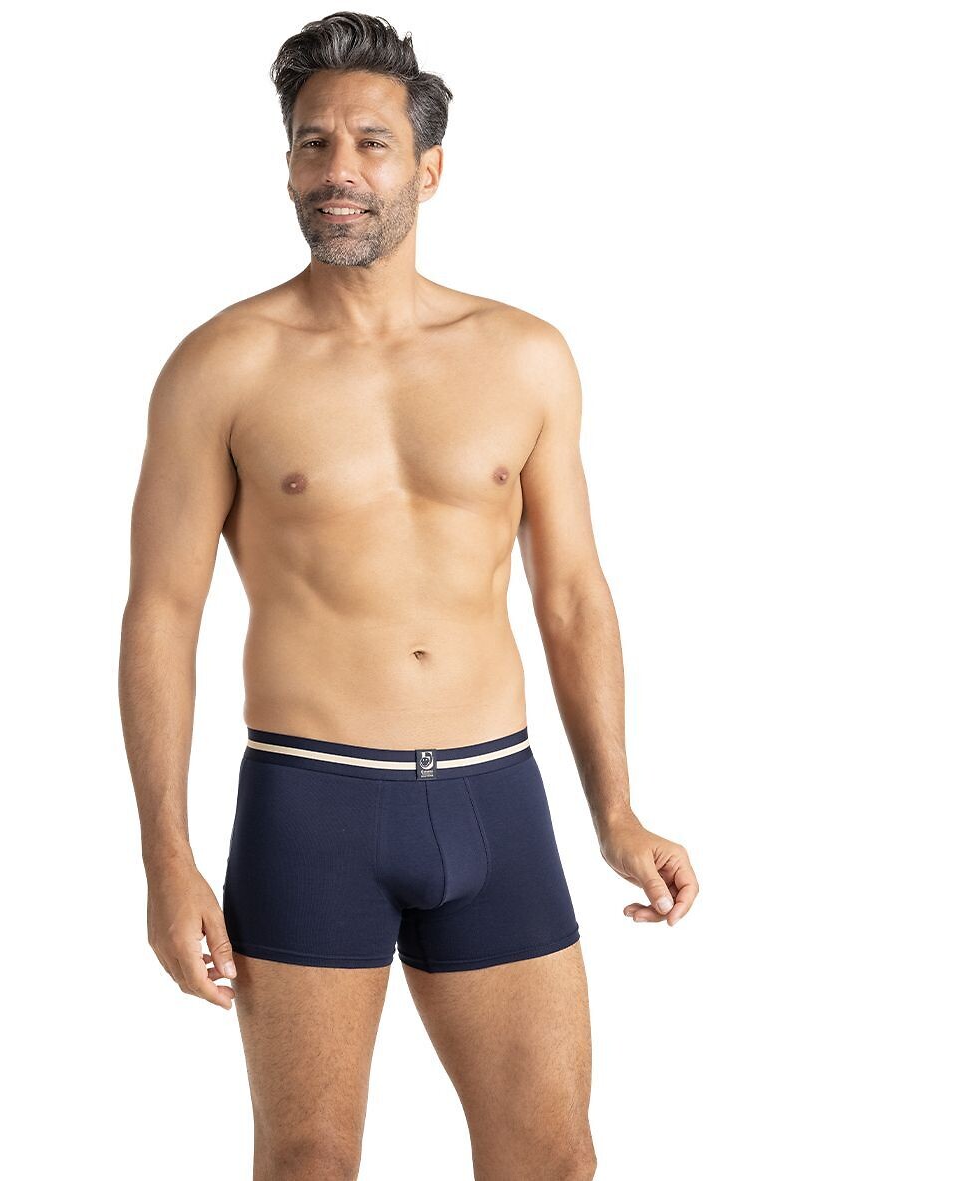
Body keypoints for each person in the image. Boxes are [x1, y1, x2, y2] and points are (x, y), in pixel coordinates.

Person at [118, 11, 699, 1179]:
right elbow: (161, 615)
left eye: (370, 143)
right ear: (287, 163)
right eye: (313, 142)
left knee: (550, 1156)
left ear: (427, 168)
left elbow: (570, 593)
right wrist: (164, 856)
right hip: (310, 802)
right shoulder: (221, 364)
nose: (338, 169)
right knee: (308, 1160)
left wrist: (616, 809)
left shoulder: (522, 355)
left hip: (495, 795)